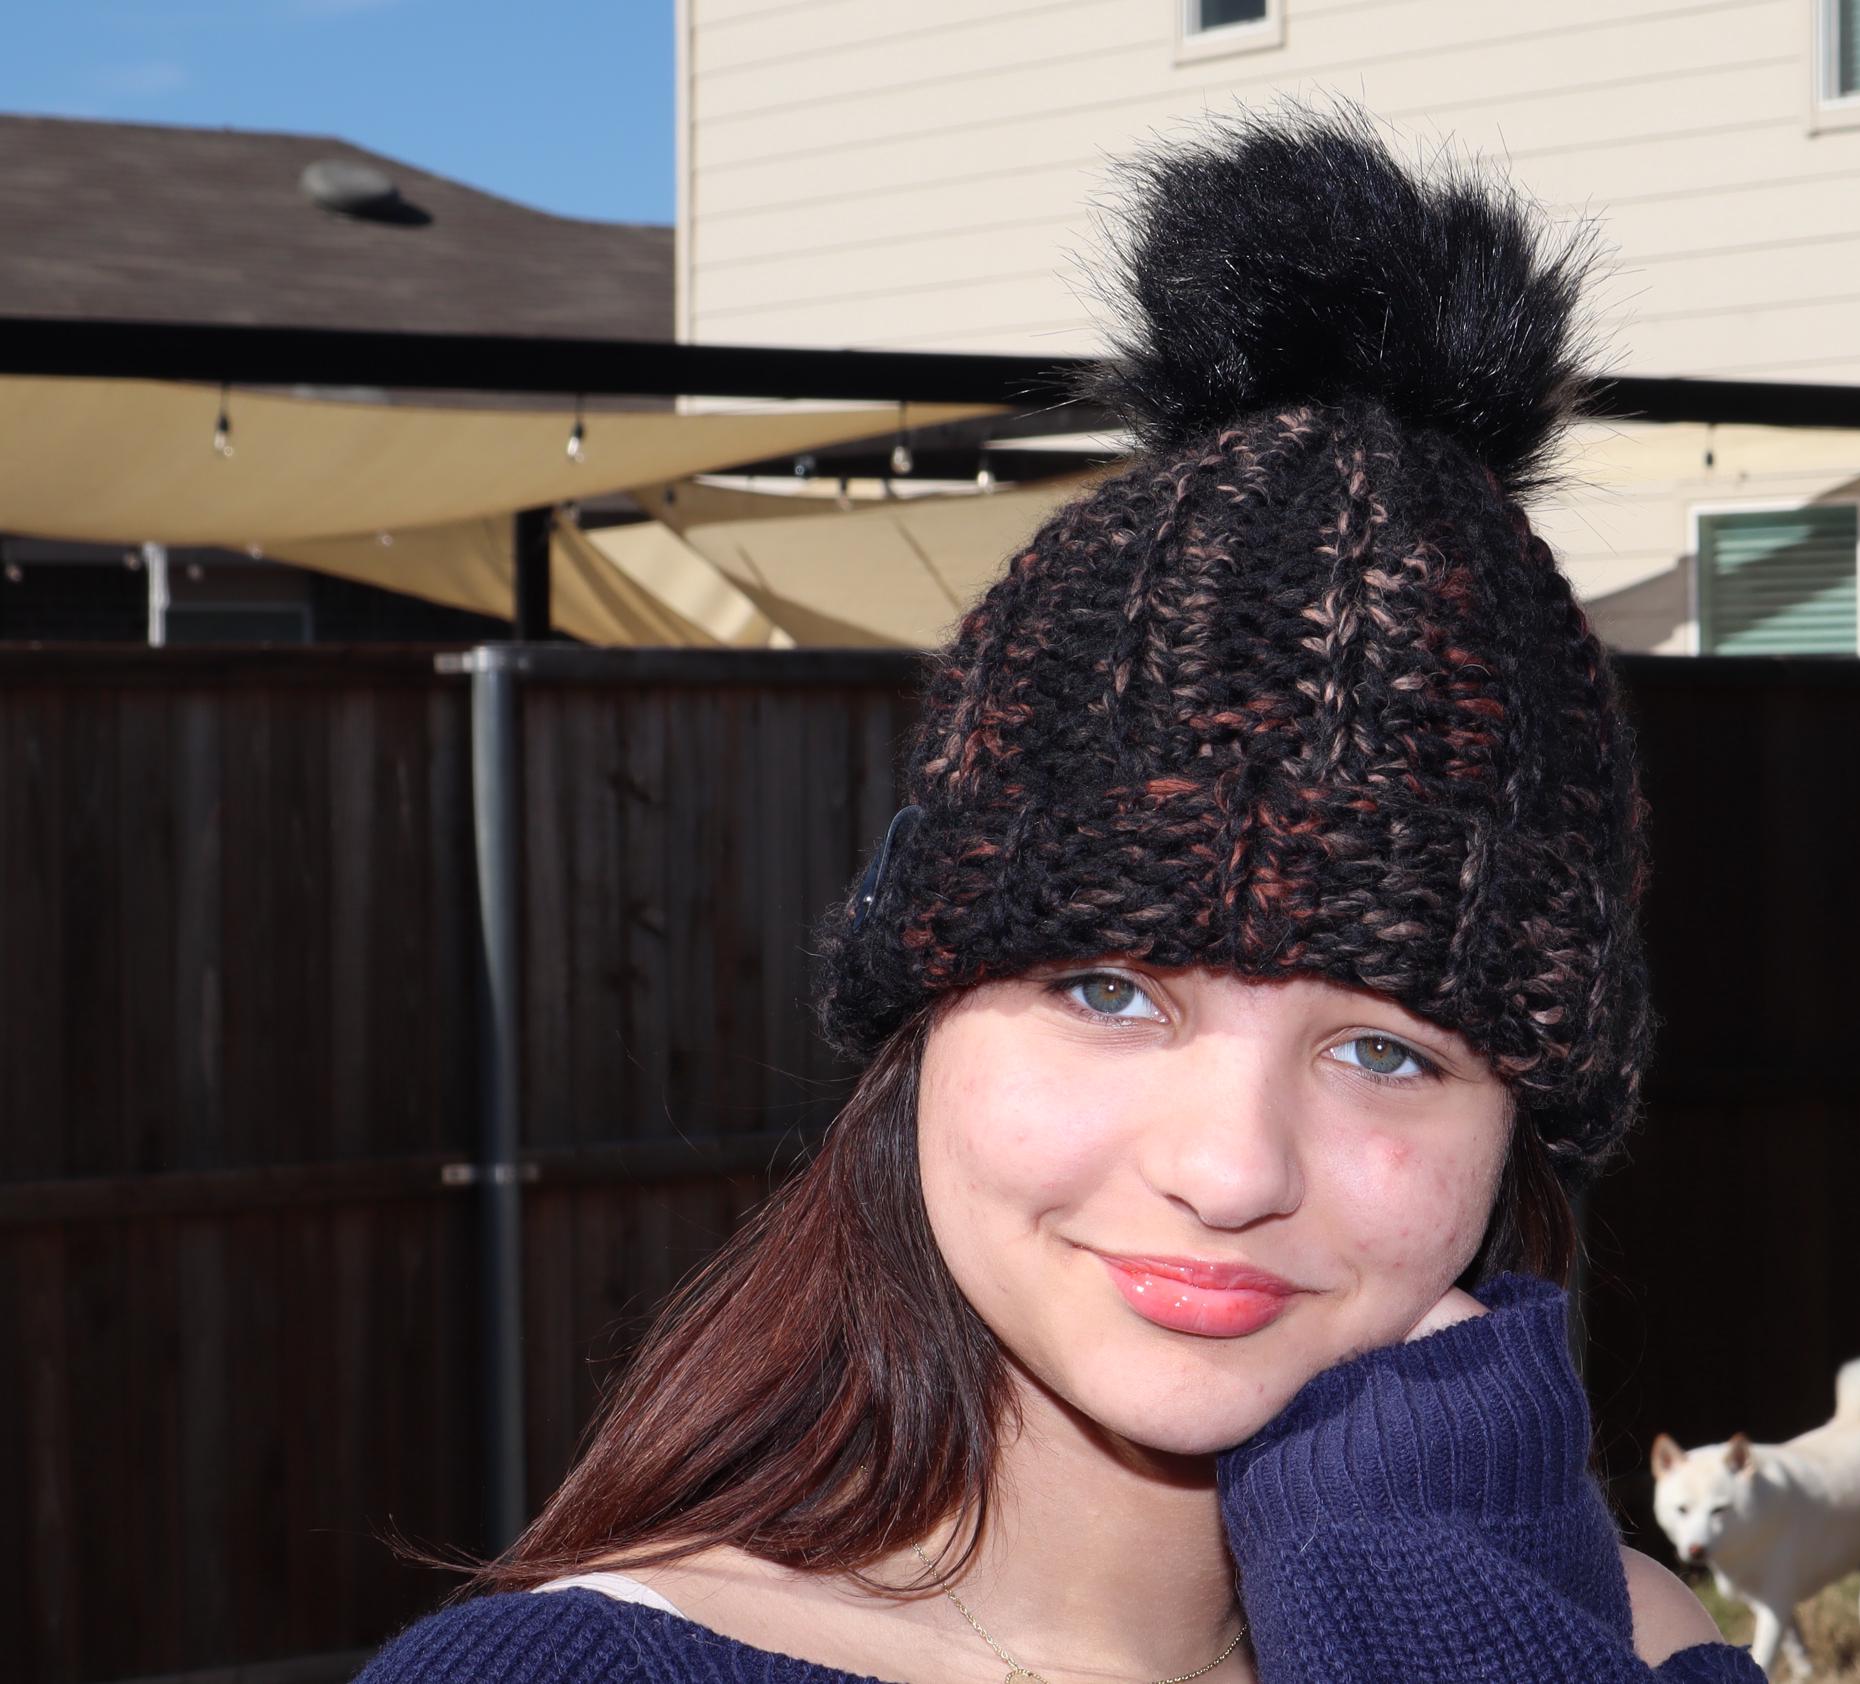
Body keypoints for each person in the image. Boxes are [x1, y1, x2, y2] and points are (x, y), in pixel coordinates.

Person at [351, 109, 1766, 1684]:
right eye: (1110, 991)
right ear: (922, 1023)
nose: (1228, 1171)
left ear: (1517, 1135)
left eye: (1385, 1048)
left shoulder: (1632, 1648)